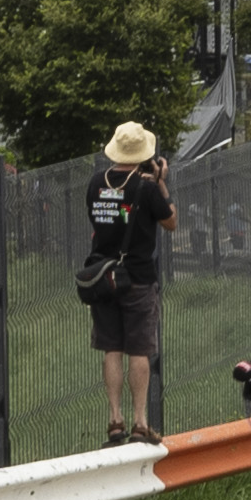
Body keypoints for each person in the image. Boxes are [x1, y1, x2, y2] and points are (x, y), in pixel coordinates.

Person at [86, 118, 172, 443]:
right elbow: (171, 222)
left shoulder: (96, 182)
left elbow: (100, 220)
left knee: (112, 348)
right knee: (138, 349)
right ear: (143, 154)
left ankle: (115, 419)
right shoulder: (147, 188)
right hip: (137, 278)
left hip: (104, 278)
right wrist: (162, 183)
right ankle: (139, 422)